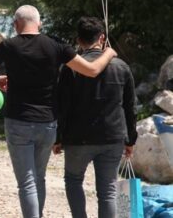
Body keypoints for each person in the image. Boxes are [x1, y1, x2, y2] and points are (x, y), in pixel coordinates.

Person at [0, 5, 118, 218]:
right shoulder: (56, 46)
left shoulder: (7, 46)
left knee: (26, 182)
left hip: (18, 122)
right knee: (39, 177)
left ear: (16, 24)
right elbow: (92, 70)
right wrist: (109, 52)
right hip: (47, 123)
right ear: (39, 23)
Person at [53, 17, 137, 218]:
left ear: (78, 41)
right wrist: (130, 140)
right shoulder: (121, 67)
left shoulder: (70, 68)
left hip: (77, 138)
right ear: (102, 38)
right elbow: (130, 107)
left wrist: (58, 137)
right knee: (107, 190)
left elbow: (61, 105)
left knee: (73, 181)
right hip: (112, 137)